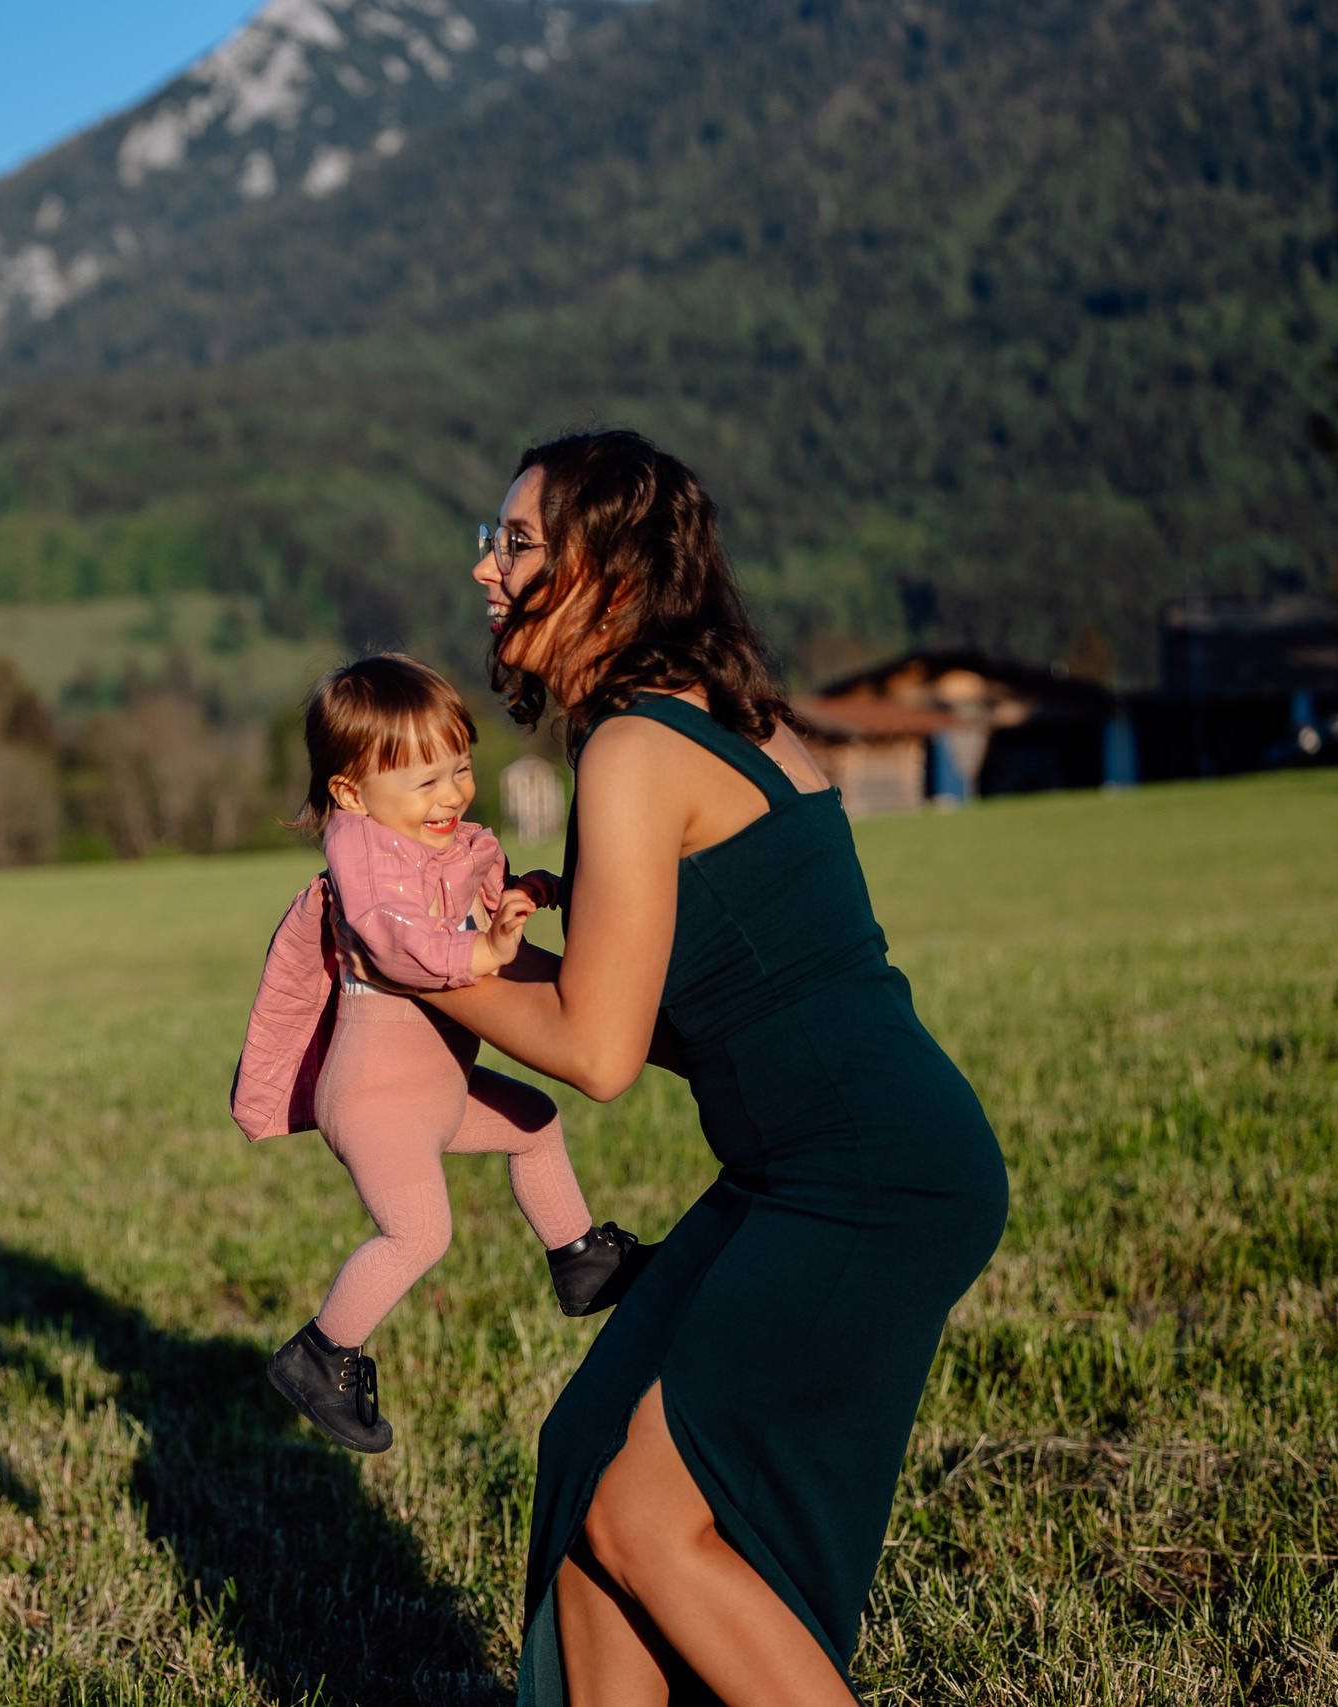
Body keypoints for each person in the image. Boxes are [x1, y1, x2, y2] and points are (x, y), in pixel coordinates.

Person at [404, 430, 1007, 1704]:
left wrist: (408, 961)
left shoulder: (633, 751)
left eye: (517, 544)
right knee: (587, 1457)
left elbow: (596, 1051)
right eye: (491, 540)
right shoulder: (726, 723)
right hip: (820, 1165)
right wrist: (520, 950)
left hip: (865, 1179)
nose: (486, 570)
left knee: (643, 1519)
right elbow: (727, 1003)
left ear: (610, 576)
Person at [233, 654, 644, 1456]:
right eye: (425, 782)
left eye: (459, 768)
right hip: (376, 1099)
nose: (453, 794)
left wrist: (519, 896)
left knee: (534, 1120)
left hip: (434, 1092)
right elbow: (400, 940)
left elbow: (476, 903)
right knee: (419, 1232)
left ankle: (580, 1259)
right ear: (352, 793)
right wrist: (479, 953)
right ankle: (321, 1353)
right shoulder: (363, 859)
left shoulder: (439, 845)